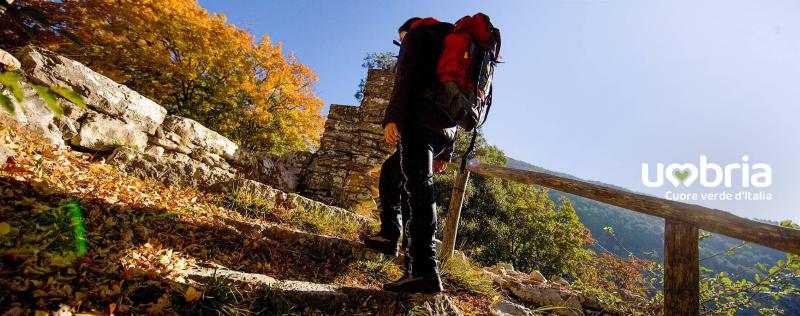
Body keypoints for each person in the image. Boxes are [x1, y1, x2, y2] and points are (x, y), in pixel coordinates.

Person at [363, 17, 457, 294]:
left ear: (406, 30)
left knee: (417, 190)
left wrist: (392, 118)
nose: (400, 43)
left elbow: (404, 78)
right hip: (443, 132)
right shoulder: (448, 42)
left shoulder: (418, 36)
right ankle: (389, 234)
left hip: (419, 122)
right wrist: (447, 151)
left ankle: (423, 270)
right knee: (392, 173)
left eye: (400, 38)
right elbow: (453, 98)